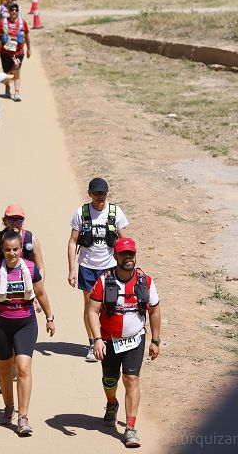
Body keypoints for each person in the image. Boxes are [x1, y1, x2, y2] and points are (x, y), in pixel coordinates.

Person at [0, 229, 55, 436]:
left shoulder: (30, 268)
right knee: (3, 368)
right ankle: (9, 406)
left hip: (25, 324)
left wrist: (49, 317)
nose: (12, 253)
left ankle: (23, 416)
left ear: (21, 249)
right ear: (2, 250)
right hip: (0, 324)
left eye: (16, 249)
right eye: (8, 250)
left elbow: (41, 293)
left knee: (23, 368)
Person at [88, 237, 161, 449]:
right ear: (115, 256)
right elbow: (92, 311)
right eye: (123, 254)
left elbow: (154, 310)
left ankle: (130, 428)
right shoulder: (104, 280)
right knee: (110, 379)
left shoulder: (145, 281)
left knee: (131, 379)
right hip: (109, 340)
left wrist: (155, 340)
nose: (128, 257)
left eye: (131, 253)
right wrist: (97, 340)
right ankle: (112, 403)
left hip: (135, 339)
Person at [67, 177, 129, 362]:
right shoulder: (81, 213)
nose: (100, 197)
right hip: (87, 267)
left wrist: (127, 267)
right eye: (96, 194)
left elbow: (125, 242)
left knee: (111, 305)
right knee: (90, 307)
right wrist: (71, 270)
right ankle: (93, 343)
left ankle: (110, 341)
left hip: (109, 267)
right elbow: (72, 242)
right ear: (90, 194)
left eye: (103, 193)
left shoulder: (115, 212)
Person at [0, 205, 45, 283]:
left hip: (27, 288)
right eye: (10, 219)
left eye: (18, 220)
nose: (14, 223)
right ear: (5, 220)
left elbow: (40, 268)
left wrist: (39, 288)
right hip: (1, 287)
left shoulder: (31, 240)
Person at [0, 3, 30, 102]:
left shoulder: (23, 23)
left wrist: (29, 49)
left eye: (15, 10)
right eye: (12, 10)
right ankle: (7, 87)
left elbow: (26, 37)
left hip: (18, 51)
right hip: (5, 52)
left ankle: (17, 92)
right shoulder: (3, 22)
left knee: (16, 70)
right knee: (7, 72)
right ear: (9, 12)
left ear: (18, 12)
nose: (14, 12)